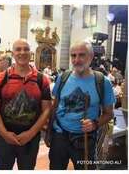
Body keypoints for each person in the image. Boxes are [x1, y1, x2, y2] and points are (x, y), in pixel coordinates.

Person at [49, 41, 115, 169]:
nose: (76, 60)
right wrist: (49, 133)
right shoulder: (62, 78)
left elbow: (109, 113)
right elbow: (54, 106)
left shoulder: (102, 82)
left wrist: (94, 123)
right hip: (60, 135)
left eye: (81, 55)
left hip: (85, 139)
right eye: (73, 56)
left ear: (91, 57)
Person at [0, 39, 52, 169]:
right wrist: (4, 133)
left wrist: (30, 133)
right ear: (13, 53)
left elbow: (46, 109)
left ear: (31, 53)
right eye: (18, 49)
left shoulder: (42, 79)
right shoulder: (2, 77)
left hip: (30, 138)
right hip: (4, 137)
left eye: (26, 49)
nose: (22, 52)